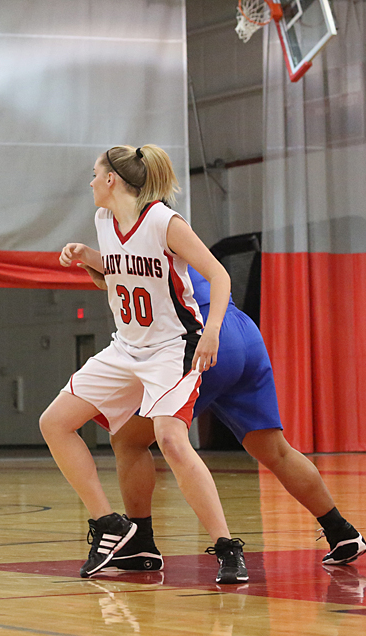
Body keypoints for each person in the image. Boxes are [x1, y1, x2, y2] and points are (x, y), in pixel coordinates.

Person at [40, 144, 248, 585]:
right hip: (126, 348)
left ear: (112, 179)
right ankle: (110, 524)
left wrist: (211, 331)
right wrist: (89, 259)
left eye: (95, 174)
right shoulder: (103, 221)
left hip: (173, 346)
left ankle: (228, 547)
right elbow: (120, 277)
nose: (91, 182)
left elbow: (219, 275)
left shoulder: (163, 221)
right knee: (54, 423)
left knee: (170, 439)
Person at [78, 261, 366, 571]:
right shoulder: (176, 240)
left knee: (128, 440)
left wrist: (91, 258)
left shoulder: (144, 231)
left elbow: (125, 271)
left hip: (204, 339)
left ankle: (142, 542)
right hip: (243, 334)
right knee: (276, 450)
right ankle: (341, 531)